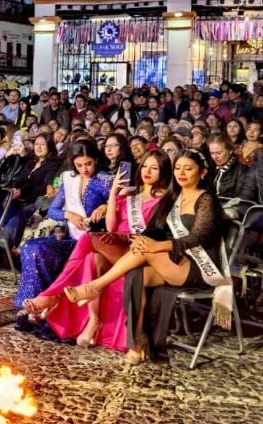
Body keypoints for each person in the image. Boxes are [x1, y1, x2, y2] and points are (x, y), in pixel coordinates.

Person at [65, 149, 229, 365]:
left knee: (146, 249)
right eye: (177, 168)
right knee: (137, 275)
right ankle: (137, 344)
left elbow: (199, 237)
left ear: (203, 172)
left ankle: (95, 286)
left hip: (198, 264)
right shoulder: (174, 197)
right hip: (171, 259)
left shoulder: (206, 199)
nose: (181, 173)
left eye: (188, 169)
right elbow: (156, 229)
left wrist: (157, 245)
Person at [20, 150, 172, 349]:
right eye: (145, 166)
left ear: (164, 171)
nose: (148, 171)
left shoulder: (165, 199)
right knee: (92, 258)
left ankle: (52, 294)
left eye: (154, 168)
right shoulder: (130, 193)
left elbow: (156, 233)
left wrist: (126, 236)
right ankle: (94, 320)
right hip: (114, 241)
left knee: (89, 237)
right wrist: (113, 194)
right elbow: (110, 226)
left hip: (135, 249)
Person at [14, 139, 113, 309]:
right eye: (79, 165)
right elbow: (53, 210)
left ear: (96, 159)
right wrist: (68, 215)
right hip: (69, 234)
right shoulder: (69, 178)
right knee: (29, 247)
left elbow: (119, 204)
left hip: (90, 240)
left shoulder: (104, 179)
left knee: (41, 249)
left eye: (88, 164)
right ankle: (31, 302)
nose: (84, 169)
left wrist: (105, 206)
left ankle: (45, 301)